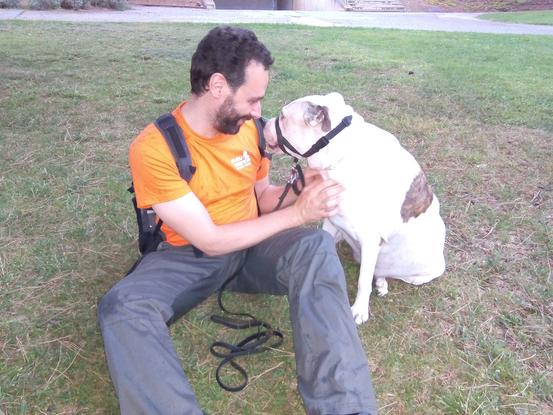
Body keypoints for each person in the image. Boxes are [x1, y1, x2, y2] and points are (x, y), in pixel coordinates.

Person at [98, 25, 378, 415]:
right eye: (253, 99)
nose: (258, 113)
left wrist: (299, 187)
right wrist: (298, 214)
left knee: (315, 247)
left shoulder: (247, 130)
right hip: (188, 256)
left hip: (251, 248)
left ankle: (346, 406)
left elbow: (262, 199)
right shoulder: (155, 148)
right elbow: (210, 240)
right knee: (123, 306)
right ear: (217, 86)